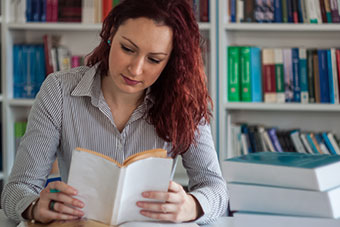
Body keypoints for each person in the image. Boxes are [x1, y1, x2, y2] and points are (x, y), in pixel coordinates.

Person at [1, 0, 228, 225]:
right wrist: (34, 207)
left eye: (154, 59)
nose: (136, 69)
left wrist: (191, 206)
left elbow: (217, 190)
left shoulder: (184, 102)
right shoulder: (60, 91)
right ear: (111, 34)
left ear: (171, 61)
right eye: (128, 49)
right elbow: (15, 191)